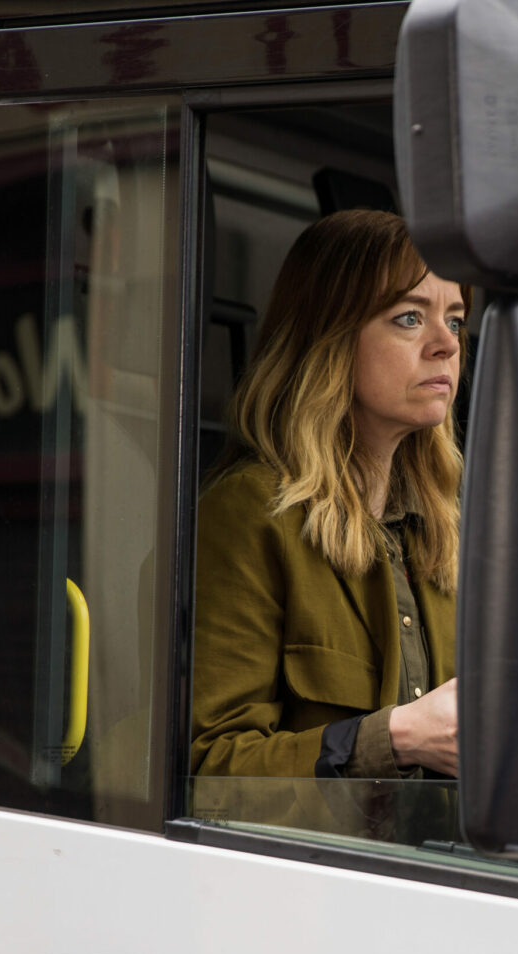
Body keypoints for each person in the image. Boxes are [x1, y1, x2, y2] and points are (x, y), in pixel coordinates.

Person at [190, 208, 465, 784]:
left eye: (456, 322)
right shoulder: (250, 516)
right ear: (332, 337)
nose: (446, 345)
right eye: (410, 317)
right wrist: (396, 739)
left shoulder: (446, 532)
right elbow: (204, 772)